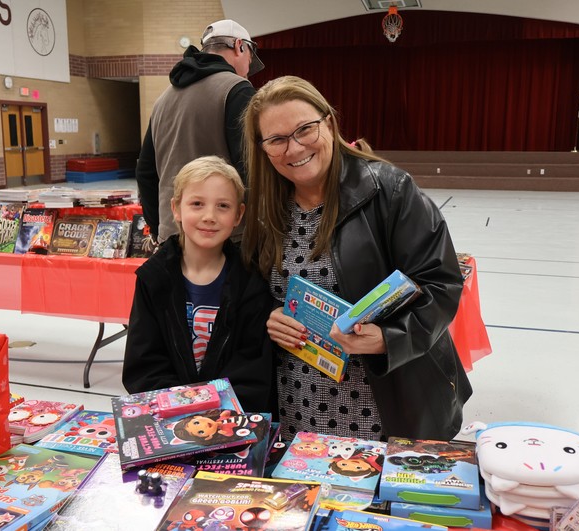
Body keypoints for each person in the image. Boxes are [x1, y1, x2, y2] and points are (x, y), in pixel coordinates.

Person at [241, 76, 472, 442]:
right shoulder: (265, 208)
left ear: (329, 124)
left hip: (385, 402)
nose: (294, 147)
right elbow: (252, 293)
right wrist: (269, 316)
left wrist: (388, 338)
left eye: (305, 129)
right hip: (296, 400)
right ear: (263, 148)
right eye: (277, 139)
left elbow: (441, 284)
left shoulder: (390, 190)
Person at [123, 156, 275, 413]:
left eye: (223, 206)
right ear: (176, 209)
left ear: (239, 214)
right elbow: (144, 363)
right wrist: (181, 407)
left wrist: (218, 410)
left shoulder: (251, 281)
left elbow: (252, 368)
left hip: (231, 419)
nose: (209, 216)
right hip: (170, 417)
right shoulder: (154, 279)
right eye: (197, 204)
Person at [135, 19, 264, 245]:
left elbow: (145, 171)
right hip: (225, 238)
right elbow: (250, 168)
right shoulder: (236, 90)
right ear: (239, 46)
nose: (248, 69)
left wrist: (158, 228)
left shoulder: (163, 99)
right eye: (249, 58)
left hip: (173, 234)